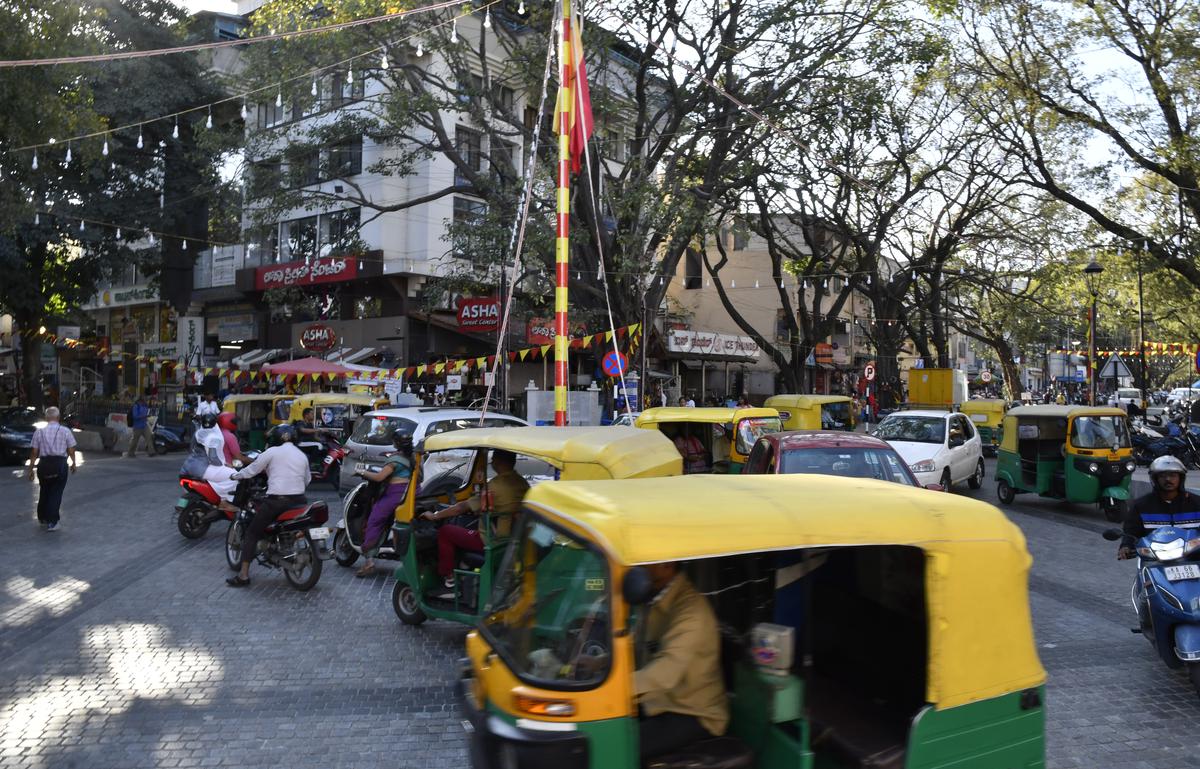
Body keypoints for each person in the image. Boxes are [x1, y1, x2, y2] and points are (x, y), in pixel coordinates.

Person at [633, 561, 729, 761]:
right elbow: (635, 642)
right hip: (660, 700)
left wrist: (612, 689)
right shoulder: (654, 596)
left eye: (644, 561)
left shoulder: (691, 612)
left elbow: (666, 672)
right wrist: (599, 664)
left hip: (692, 712)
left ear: (667, 565)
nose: (636, 566)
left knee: (619, 747)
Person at [421, 449, 529, 591]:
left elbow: (462, 508)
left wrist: (435, 515)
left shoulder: (494, 487)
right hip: (514, 537)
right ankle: (464, 567)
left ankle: (449, 579)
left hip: (492, 540)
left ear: (497, 462)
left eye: (493, 460)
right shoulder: (523, 484)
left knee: (445, 531)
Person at [225, 424, 310, 587]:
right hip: (300, 500)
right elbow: (307, 480)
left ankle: (243, 575)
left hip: (277, 501)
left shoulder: (271, 452)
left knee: (252, 532)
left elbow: (252, 470)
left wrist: (236, 475)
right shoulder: (302, 455)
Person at [352, 432, 414, 577]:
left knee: (374, 520)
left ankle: (369, 562)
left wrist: (362, 472)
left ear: (395, 443)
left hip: (395, 495)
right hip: (412, 494)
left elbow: (380, 477)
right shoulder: (414, 457)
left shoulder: (394, 460)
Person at [1118, 455, 1200, 560]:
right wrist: (1126, 546)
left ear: (1181, 478)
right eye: (1162, 476)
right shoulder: (1141, 506)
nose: (1168, 479)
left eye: (1173, 475)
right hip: (1155, 561)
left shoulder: (1197, 504)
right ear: (1155, 479)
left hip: (1193, 559)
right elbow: (1131, 532)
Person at [28, 406, 78, 531]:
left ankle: (43, 517)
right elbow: (71, 450)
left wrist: (30, 469)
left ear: (46, 418)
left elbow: (34, 452)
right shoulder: (65, 431)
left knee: (44, 490)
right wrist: (73, 463)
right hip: (60, 464)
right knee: (56, 492)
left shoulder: (39, 432)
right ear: (58, 417)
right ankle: (53, 522)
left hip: (43, 465)